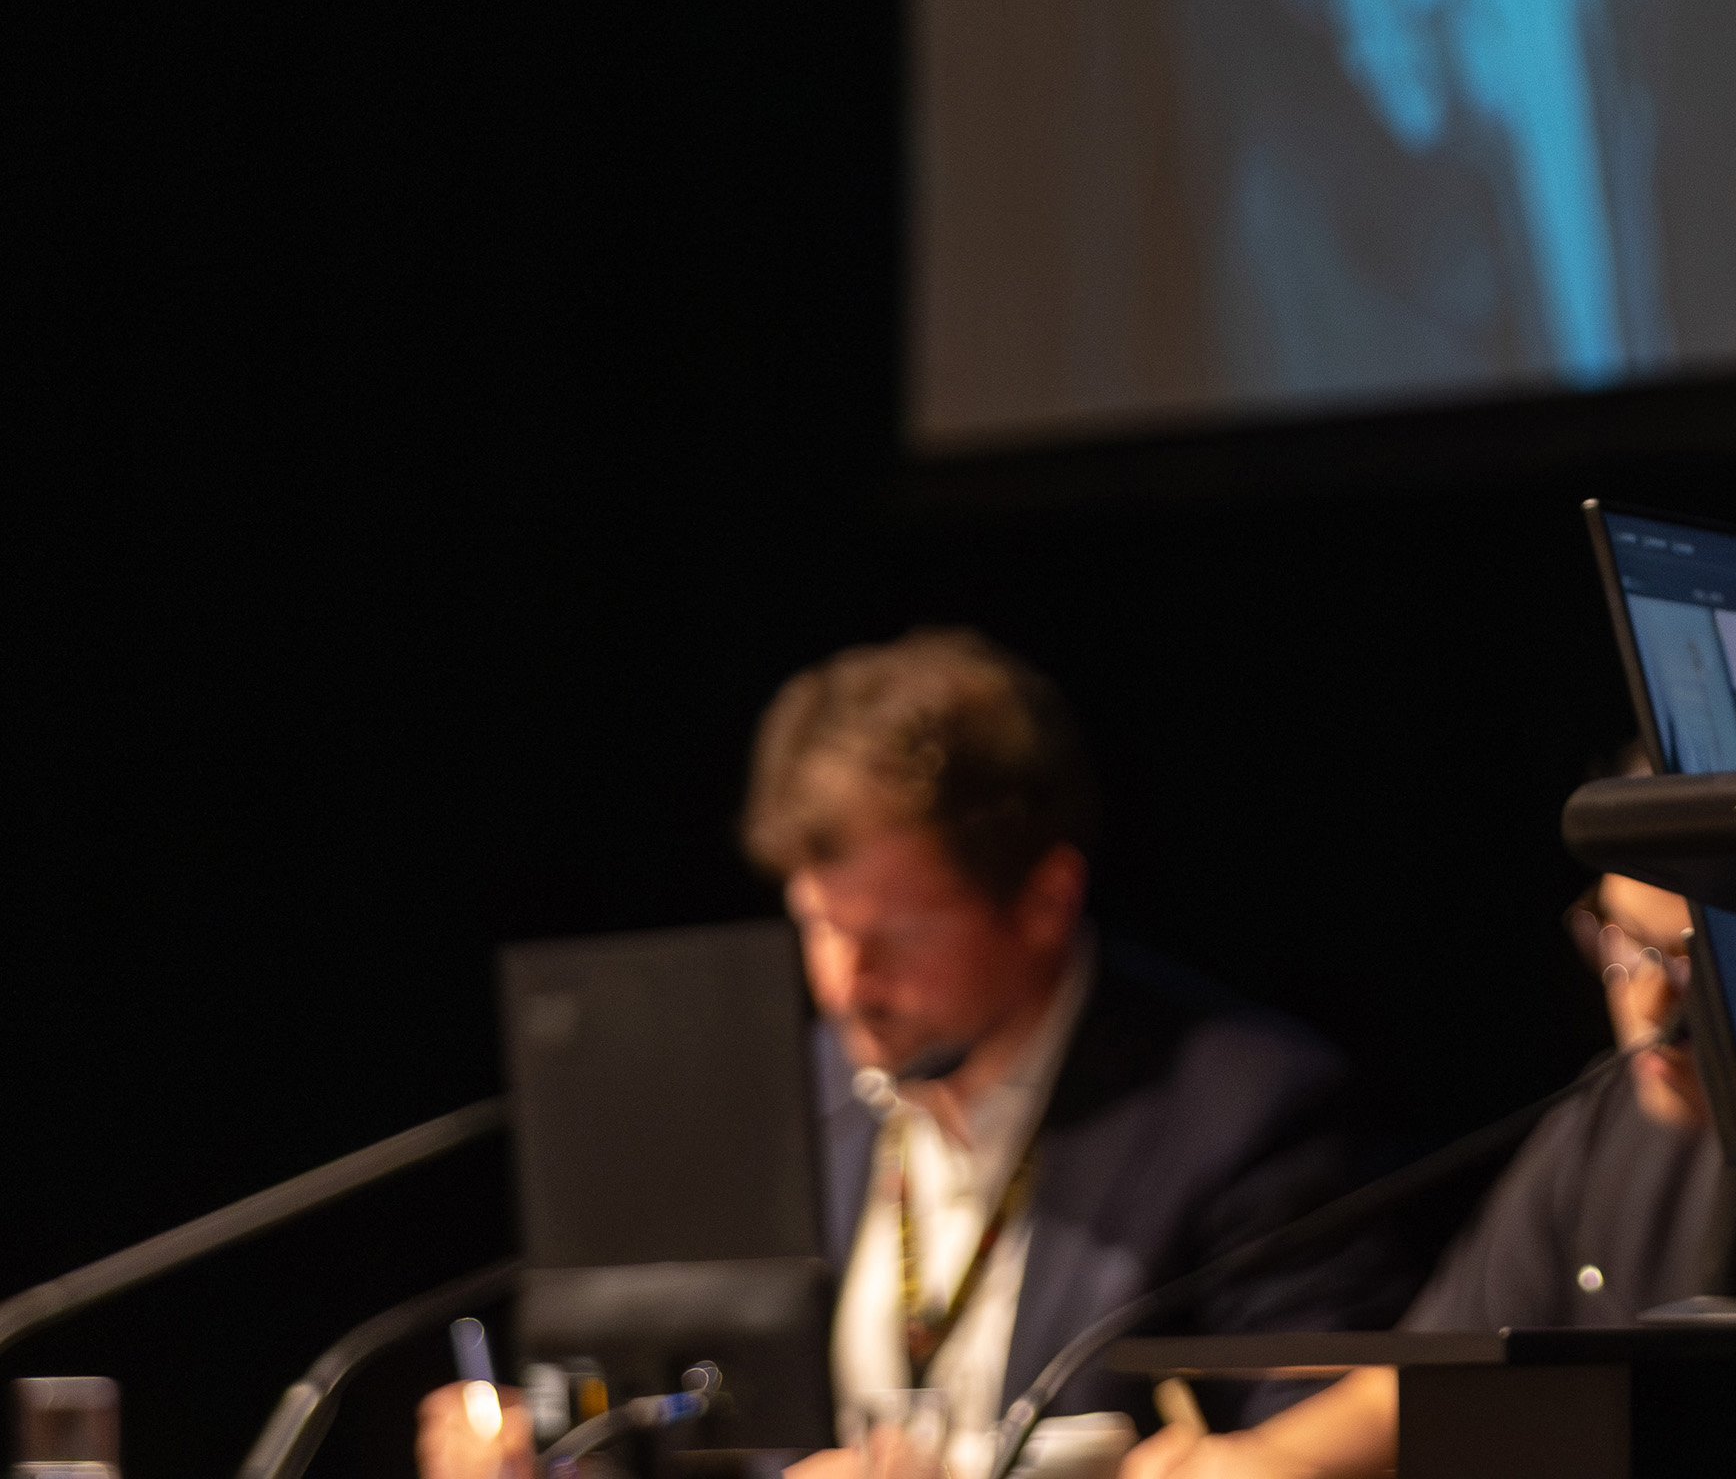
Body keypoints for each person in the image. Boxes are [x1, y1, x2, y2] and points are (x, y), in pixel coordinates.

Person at [418, 632, 1391, 1479]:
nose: (844, 982)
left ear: (1045, 902)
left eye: (897, 938)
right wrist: (553, 1457)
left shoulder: (1241, 1114)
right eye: (819, 927)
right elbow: (670, 1430)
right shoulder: (779, 1100)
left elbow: (1314, 1452)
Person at [1115, 865, 1736, 1479]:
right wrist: (1257, 1461)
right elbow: (1430, 1376)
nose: (1651, 1004)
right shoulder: (1603, 1119)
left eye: (1694, 962)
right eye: (1626, 944)